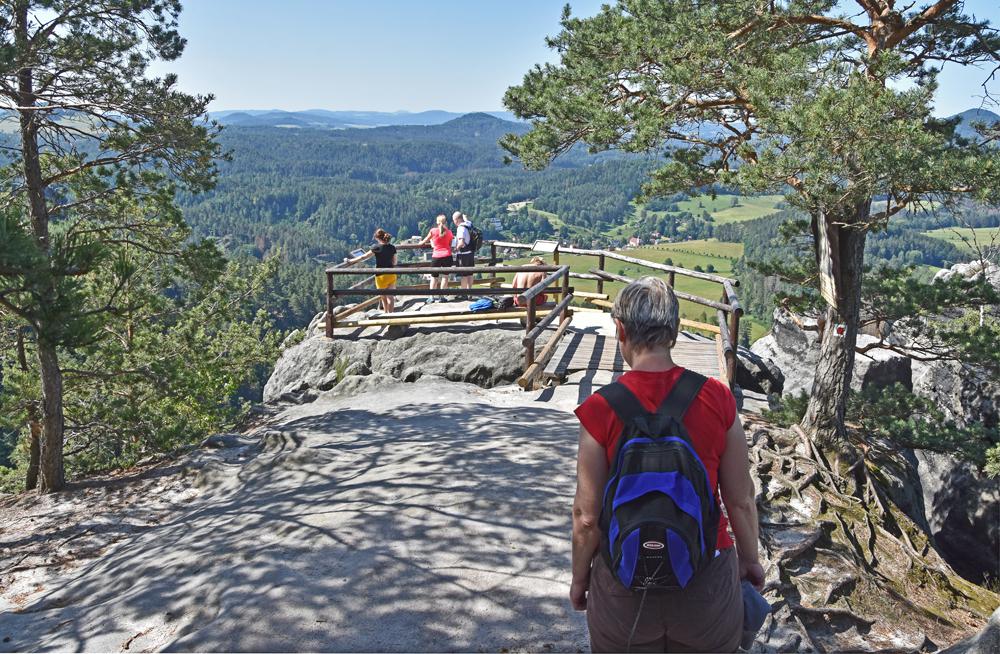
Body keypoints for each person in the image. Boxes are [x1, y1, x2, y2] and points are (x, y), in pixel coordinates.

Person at [571, 276, 763, 653]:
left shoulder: (600, 408)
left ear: (621, 331)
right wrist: (750, 560)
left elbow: (587, 517)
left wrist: (580, 580)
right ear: (674, 331)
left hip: (622, 588)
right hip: (705, 580)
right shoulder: (718, 399)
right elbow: (740, 500)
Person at [419, 214, 453, 302]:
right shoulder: (449, 232)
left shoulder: (433, 231)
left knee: (434, 278)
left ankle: (431, 297)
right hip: (447, 256)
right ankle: (441, 297)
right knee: (445, 277)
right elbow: (449, 245)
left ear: (437, 222)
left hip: (436, 256)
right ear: (445, 222)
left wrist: (432, 243)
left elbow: (422, 242)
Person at [371, 228, 397, 314]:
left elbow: (363, 257)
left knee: (383, 297)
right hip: (391, 274)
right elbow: (395, 262)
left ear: (377, 238)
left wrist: (351, 261)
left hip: (380, 276)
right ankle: (391, 315)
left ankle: (385, 314)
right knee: (391, 297)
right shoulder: (392, 247)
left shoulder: (376, 247)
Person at [452, 211, 475, 297]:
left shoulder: (460, 228)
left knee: (464, 275)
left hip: (463, 254)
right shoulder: (468, 224)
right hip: (470, 253)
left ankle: (464, 293)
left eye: (454, 220)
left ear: (457, 220)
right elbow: (467, 220)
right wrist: (465, 217)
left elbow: (461, 242)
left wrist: (455, 249)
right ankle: (470, 292)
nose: (454, 222)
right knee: (470, 274)